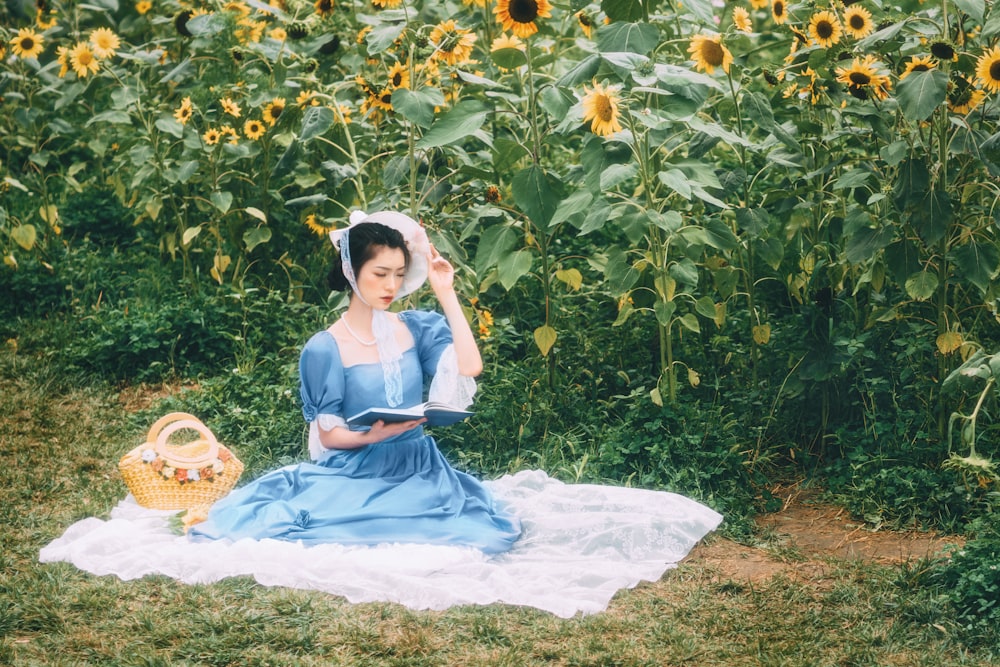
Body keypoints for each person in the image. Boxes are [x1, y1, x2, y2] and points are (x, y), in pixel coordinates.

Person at [188, 210, 522, 554]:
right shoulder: (326, 347)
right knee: (363, 524)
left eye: (399, 274)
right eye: (380, 274)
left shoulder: (416, 328)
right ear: (353, 271)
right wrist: (372, 435)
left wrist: (446, 292)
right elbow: (328, 435)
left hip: (419, 465)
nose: (391, 286)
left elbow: (470, 366)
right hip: (358, 468)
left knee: (474, 531)